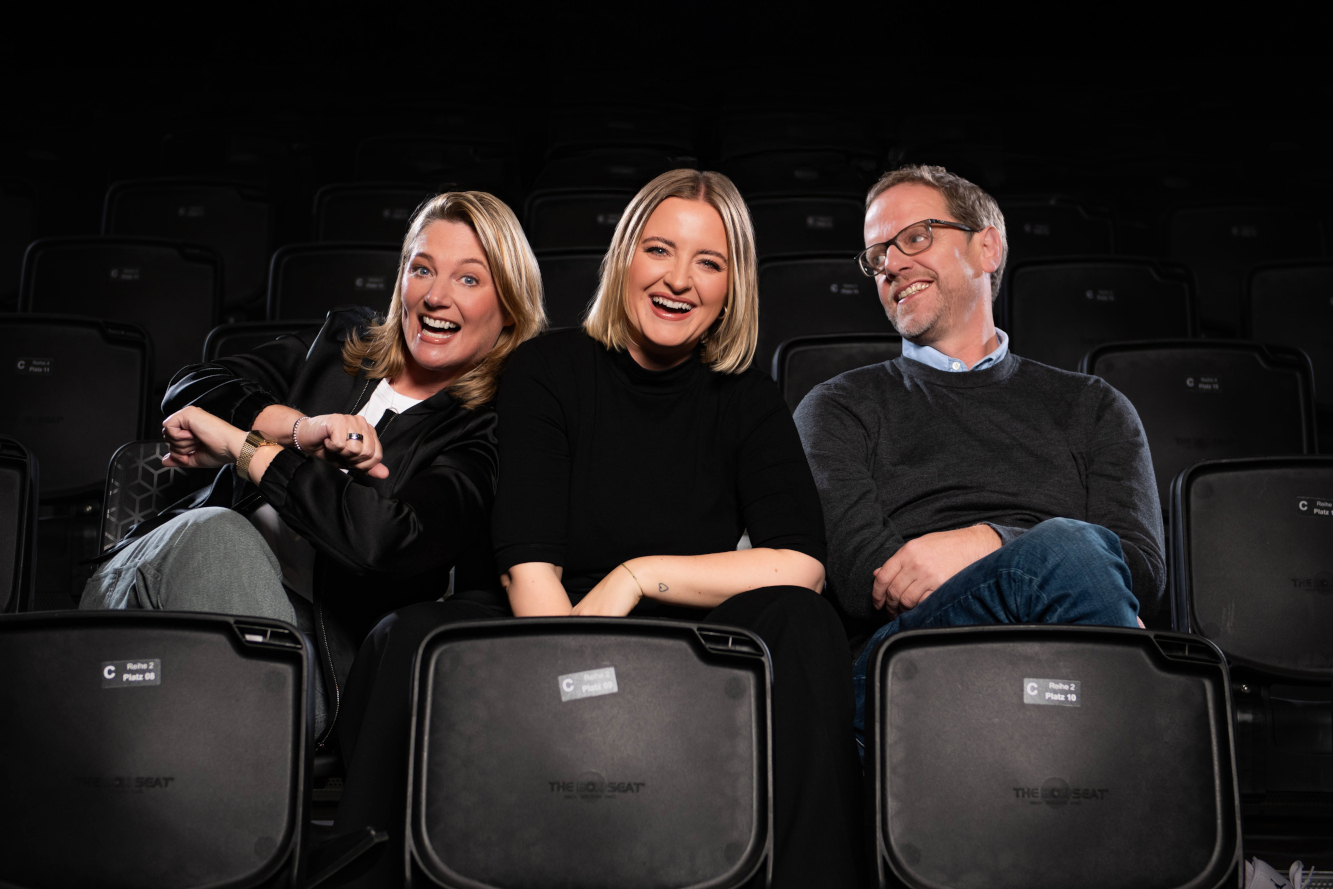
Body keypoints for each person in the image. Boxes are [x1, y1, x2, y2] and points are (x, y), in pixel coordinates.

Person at [486, 168, 865, 888]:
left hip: (690, 651)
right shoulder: (547, 368)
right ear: (624, 257)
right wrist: (576, 682)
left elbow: (801, 564)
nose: (679, 280)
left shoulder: (746, 395)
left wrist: (634, 575)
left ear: (731, 288)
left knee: (805, 621)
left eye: (708, 262)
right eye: (659, 249)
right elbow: (524, 561)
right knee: (408, 633)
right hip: (555, 625)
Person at [80, 191, 546, 753]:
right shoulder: (340, 346)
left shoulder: (484, 432)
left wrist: (241, 449)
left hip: (315, 668)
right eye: (421, 269)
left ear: (510, 306)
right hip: (155, 590)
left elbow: (387, 542)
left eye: (469, 280)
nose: (435, 296)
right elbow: (192, 387)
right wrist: (303, 429)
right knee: (217, 535)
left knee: (223, 541)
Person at [792, 164, 1164, 750]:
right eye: (876, 255)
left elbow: (1142, 570)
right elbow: (871, 576)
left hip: (1063, 654)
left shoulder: (1096, 406)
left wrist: (992, 541)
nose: (890, 264)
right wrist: (1046, 565)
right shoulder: (837, 407)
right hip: (907, 667)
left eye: (914, 238)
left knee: (1072, 552)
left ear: (987, 246)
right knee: (1072, 553)